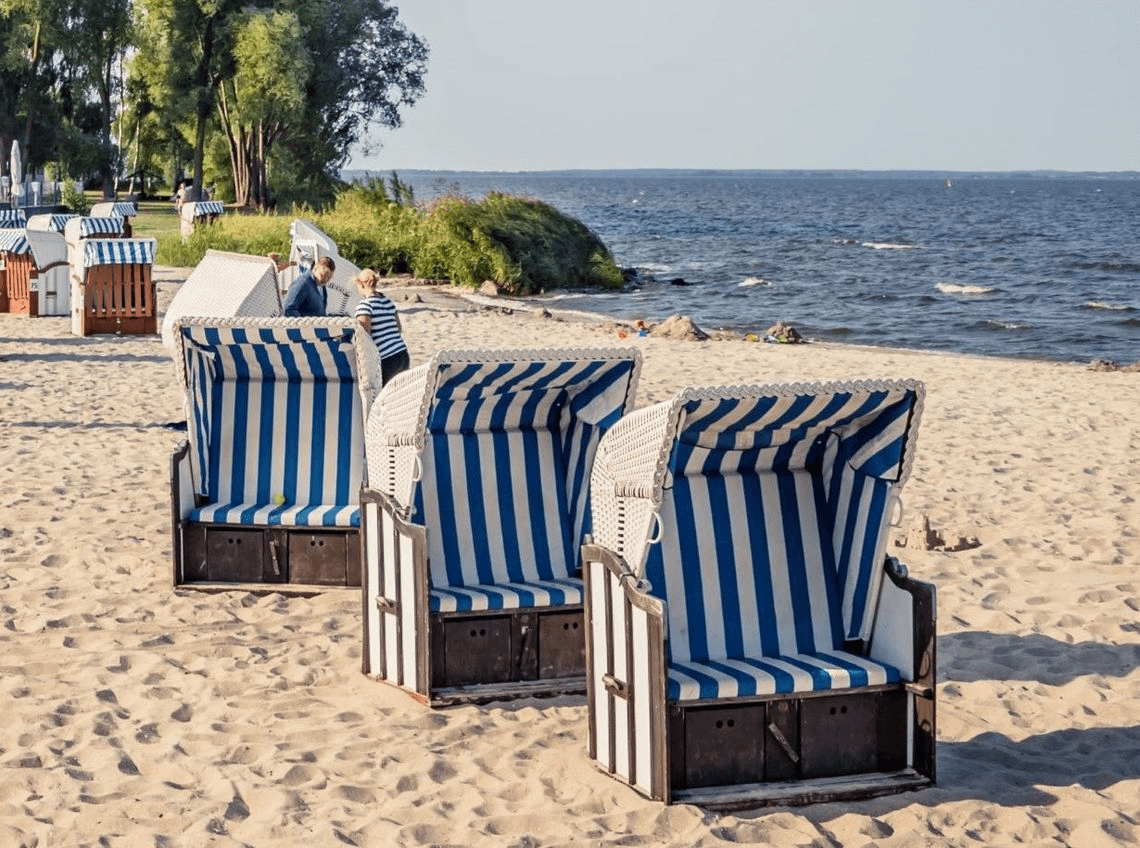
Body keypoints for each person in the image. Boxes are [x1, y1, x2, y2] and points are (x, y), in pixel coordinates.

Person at [354, 269, 410, 383]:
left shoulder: (365, 306)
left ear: (361, 283)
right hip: (402, 354)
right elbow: (399, 328)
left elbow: (364, 335)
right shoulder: (388, 302)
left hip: (386, 359)